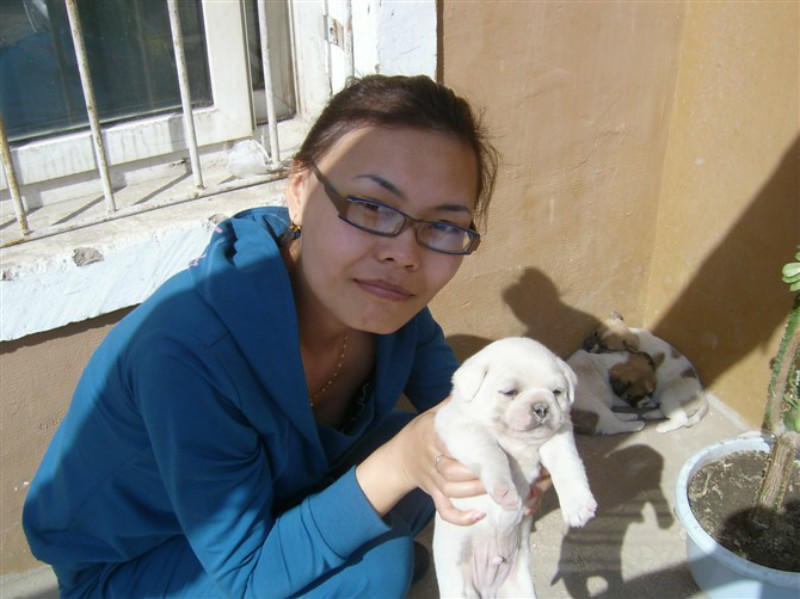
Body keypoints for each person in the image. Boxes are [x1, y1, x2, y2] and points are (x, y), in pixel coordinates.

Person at [23, 74, 542, 598]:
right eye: (372, 206)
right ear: (299, 191)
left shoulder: (389, 306)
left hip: (273, 495)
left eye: (443, 225)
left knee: (452, 457)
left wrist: (513, 450)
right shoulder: (191, 351)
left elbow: (466, 411)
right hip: (138, 561)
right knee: (379, 563)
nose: (404, 254)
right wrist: (399, 464)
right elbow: (247, 576)